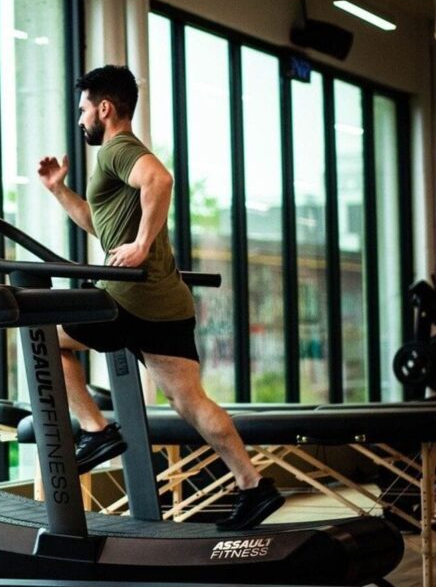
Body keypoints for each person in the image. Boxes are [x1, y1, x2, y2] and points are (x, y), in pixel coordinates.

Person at [36, 65, 283, 531]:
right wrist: (59, 190)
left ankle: (96, 431)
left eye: (83, 109)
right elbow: (101, 225)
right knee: (190, 401)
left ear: (104, 108)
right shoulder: (118, 158)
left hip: (128, 297)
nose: (81, 119)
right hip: (167, 301)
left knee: (45, 336)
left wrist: (142, 245)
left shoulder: (119, 150)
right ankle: (253, 485)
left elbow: (161, 181)